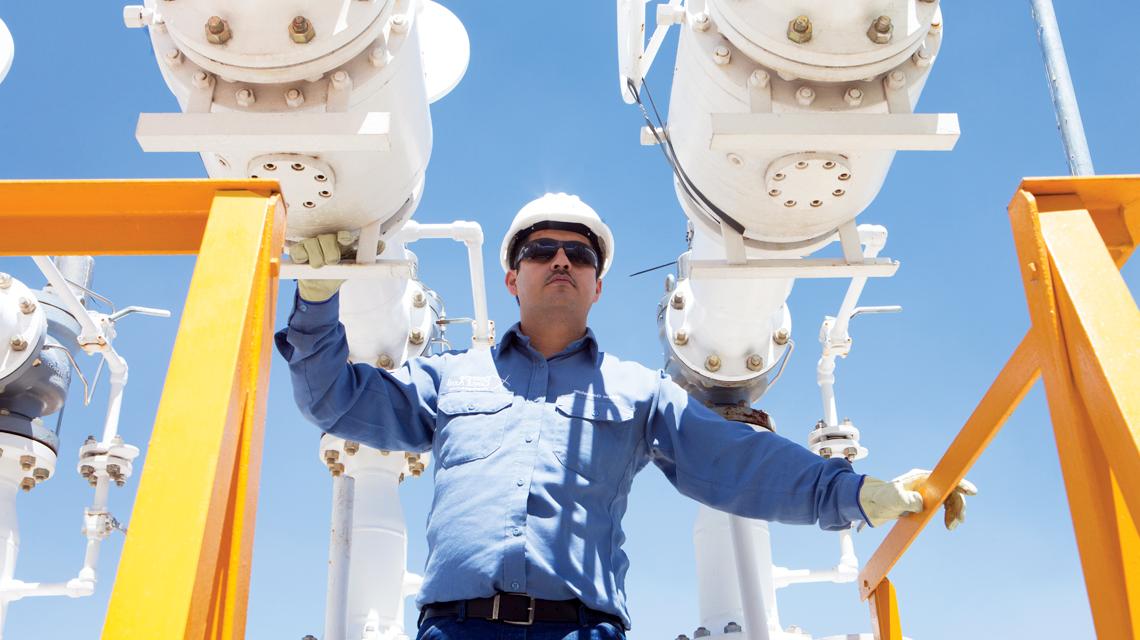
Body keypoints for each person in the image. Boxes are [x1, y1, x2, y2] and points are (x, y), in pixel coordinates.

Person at [276, 193, 976, 640]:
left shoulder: (639, 393)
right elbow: (333, 398)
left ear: (597, 284)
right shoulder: (449, 379)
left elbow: (741, 465)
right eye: (540, 251)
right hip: (456, 630)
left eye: (577, 254)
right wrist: (315, 300)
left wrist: (857, 493)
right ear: (511, 277)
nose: (559, 261)